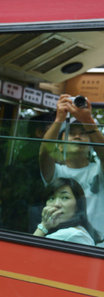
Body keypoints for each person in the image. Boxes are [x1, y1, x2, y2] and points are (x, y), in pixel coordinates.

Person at [39, 94, 104, 241]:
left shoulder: (99, 170)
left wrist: (88, 120)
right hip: (60, 241)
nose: (77, 137)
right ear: (60, 146)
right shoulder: (57, 172)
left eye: (83, 133)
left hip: (98, 246)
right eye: (72, 133)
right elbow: (44, 152)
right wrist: (59, 119)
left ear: (91, 145)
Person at [33, 177, 96, 245]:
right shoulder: (78, 231)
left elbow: (29, 251)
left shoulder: (71, 234)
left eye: (65, 197)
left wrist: (43, 226)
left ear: (78, 205)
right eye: (52, 198)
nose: (56, 204)